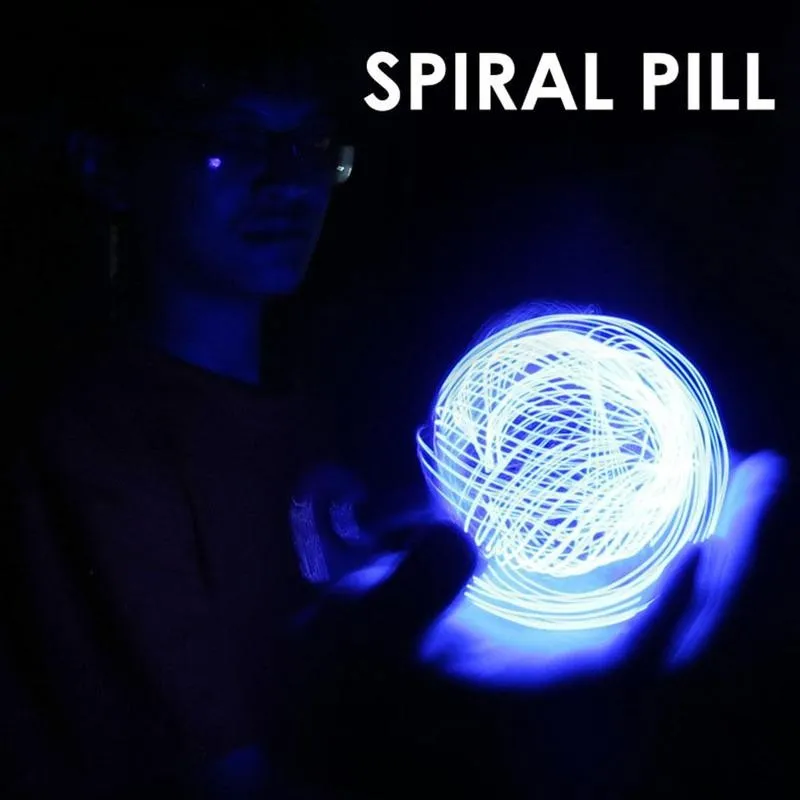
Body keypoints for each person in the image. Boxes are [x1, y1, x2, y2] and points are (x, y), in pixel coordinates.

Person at [0, 12, 785, 799]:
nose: (289, 179)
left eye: (311, 141)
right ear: (105, 166)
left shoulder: (316, 407)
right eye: (233, 139)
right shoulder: (94, 447)